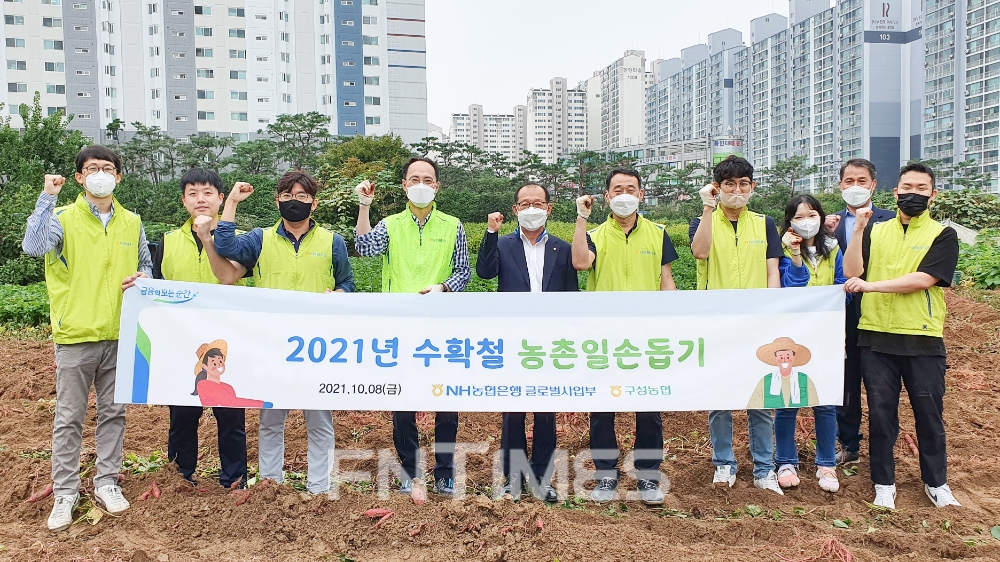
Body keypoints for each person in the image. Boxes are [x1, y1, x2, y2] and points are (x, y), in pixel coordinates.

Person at [21, 145, 152, 530]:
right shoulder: (62, 217)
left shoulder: (132, 221)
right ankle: (65, 491)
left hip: (119, 331)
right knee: (69, 416)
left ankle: (107, 482)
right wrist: (47, 197)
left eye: (107, 168)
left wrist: (145, 277)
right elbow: (34, 246)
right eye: (92, 168)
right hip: (76, 333)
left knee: (114, 413)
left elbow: (145, 264)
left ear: (118, 177)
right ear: (79, 177)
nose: (100, 173)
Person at [215, 170, 355, 495]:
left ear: (314, 203)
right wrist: (232, 202)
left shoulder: (332, 242)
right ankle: (270, 485)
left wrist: (341, 295)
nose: (296, 202)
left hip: (316, 345)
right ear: (277, 200)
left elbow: (348, 282)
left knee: (319, 420)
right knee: (271, 419)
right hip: (271, 344)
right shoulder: (260, 239)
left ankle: (319, 487)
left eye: (303, 197)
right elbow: (224, 244)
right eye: (289, 196)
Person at [354, 157, 471, 503]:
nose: (422, 184)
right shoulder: (391, 225)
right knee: (403, 401)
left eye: (428, 179)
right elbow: (363, 248)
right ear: (405, 185)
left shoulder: (453, 225)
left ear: (437, 186)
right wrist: (364, 207)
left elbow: (463, 271)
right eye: (414, 178)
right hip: (400, 328)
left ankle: (445, 474)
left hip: (442, 328)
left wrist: (444, 287)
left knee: (447, 402)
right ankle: (410, 471)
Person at [844, 163, 961, 509]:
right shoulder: (875, 230)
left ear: (933, 195)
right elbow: (852, 271)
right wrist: (857, 231)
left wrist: (871, 287)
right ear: (894, 193)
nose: (914, 194)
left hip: (921, 338)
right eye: (907, 187)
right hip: (876, 337)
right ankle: (883, 482)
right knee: (881, 415)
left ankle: (937, 483)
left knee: (929, 414)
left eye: (922, 189)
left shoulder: (942, 234)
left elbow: (924, 279)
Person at [571, 168, 678, 506]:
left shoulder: (658, 234)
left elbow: (666, 280)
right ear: (606, 197)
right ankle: (605, 476)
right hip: (604, 336)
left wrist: (669, 322)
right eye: (617, 189)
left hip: (646, 336)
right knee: (603, 407)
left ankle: (648, 477)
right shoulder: (596, 234)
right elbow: (578, 263)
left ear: (641, 194)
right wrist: (580, 219)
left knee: (649, 407)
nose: (624, 194)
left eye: (630, 188)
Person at [153, 168, 256, 490]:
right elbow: (155, 290)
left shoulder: (236, 242)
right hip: (182, 344)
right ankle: (181, 476)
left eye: (208, 193)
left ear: (220, 199)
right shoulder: (167, 242)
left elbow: (234, 278)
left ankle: (234, 478)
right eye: (193, 193)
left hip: (227, 345)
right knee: (182, 416)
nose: (201, 199)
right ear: (184, 200)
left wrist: (207, 238)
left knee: (231, 417)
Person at [476, 183, 578, 503]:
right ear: (516, 210)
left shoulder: (562, 249)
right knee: (514, 411)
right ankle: (513, 478)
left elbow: (571, 295)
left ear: (549, 209)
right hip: (514, 339)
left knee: (546, 410)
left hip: (549, 340)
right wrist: (491, 232)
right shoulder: (503, 244)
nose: (531, 208)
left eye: (538, 203)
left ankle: (541, 477)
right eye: (524, 203)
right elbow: (485, 271)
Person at [689, 155, 784, 495]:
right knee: (720, 399)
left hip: (758, 324)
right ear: (718, 187)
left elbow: (773, 270)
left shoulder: (764, 223)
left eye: (743, 184)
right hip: (718, 322)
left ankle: (763, 468)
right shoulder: (703, 221)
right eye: (729, 184)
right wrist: (706, 209)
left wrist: (772, 312)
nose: (736, 190)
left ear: (752, 187)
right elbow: (700, 253)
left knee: (760, 398)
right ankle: (724, 464)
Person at [770, 194, 848, 493]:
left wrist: (832, 300)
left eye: (811, 214)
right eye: (799, 217)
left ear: (820, 216)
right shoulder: (782, 250)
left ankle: (826, 463)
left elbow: (844, 287)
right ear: (789, 222)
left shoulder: (833, 248)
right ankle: (786, 461)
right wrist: (797, 257)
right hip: (792, 334)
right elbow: (792, 287)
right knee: (787, 400)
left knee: (824, 402)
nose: (806, 222)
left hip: (827, 333)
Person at [824, 159, 895, 466]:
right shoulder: (829, 225)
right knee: (847, 382)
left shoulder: (891, 220)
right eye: (849, 180)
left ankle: (884, 449)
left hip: (882, 311)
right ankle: (849, 444)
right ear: (840, 186)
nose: (855, 186)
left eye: (862, 180)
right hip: (844, 314)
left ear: (873, 185)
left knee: (881, 385)